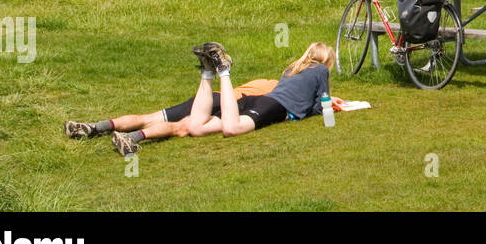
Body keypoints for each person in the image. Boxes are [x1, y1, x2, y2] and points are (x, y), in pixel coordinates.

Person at [64, 41, 339, 156]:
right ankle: (220, 70)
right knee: (186, 127)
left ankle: (99, 127)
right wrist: (325, 114)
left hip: (218, 98)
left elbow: (294, 93)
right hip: (231, 100)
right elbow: (320, 103)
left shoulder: (290, 71)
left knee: (168, 120)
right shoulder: (311, 75)